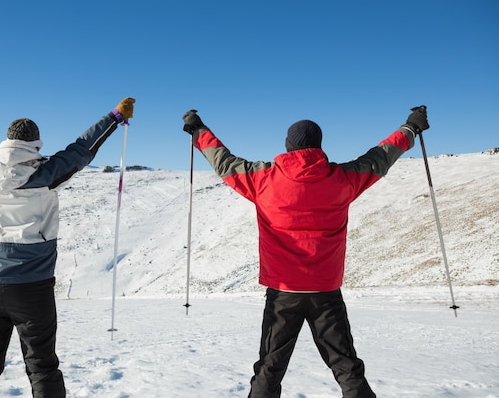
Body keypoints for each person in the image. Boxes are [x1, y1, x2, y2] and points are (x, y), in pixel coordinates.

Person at [181, 106, 429, 398]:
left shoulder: (263, 179)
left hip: (283, 292)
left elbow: (224, 162)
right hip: (326, 291)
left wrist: (199, 131)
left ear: (288, 145)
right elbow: (381, 157)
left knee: (270, 367)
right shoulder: (342, 178)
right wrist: (410, 129)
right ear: (319, 145)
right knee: (345, 365)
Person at [0, 97, 136, 398]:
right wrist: (115, 117)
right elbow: (83, 148)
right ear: (36, 144)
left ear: (7, 141)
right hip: (33, 291)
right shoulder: (46, 175)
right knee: (42, 365)